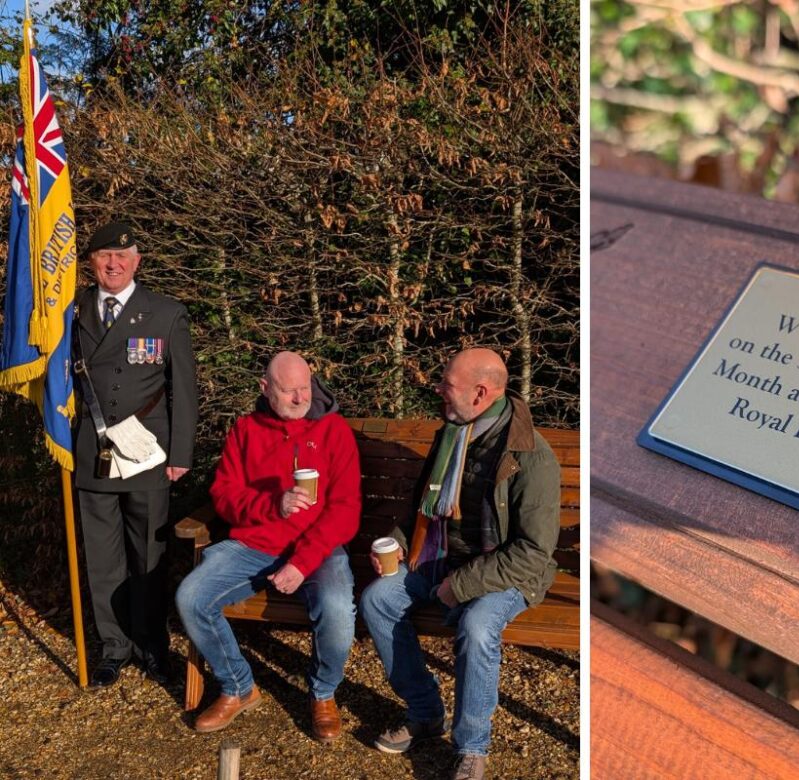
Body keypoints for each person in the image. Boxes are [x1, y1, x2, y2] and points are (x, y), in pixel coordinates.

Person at [359, 347, 561, 780]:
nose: (437, 390)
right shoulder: (452, 432)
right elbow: (422, 505)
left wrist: (463, 585)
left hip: (506, 571)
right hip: (438, 556)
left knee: (477, 626)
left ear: (481, 393)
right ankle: (425, 713)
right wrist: (393, 547)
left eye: (447, 384)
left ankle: (471, 746)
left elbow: (534, 552)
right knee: (378, 599)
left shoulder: (532, 457)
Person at [175, 351, 360, 741]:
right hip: (255, 544)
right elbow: (224, 496)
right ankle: (239, 687)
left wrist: (303, 562)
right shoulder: (246, 429)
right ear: (265, 389)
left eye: (305, 388)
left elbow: (346, 511)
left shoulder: (333, 430)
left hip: (318, 549)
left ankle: (323, 693)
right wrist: (272, 504)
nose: (299, 398)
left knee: (338, 609)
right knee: (192, 597)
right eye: (288, 390)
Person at [73, 221, 197, 688]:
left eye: (123, 257)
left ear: (137, 262)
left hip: (147, 452)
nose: (114, 264)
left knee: (148, 555)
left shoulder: (164, 313)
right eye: (105, 257)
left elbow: (183, 389)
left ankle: (150, 644)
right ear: (92, 263)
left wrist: (180, 451)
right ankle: (113, 647)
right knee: (103, 559)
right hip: (93, 448)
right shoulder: (70, 310)